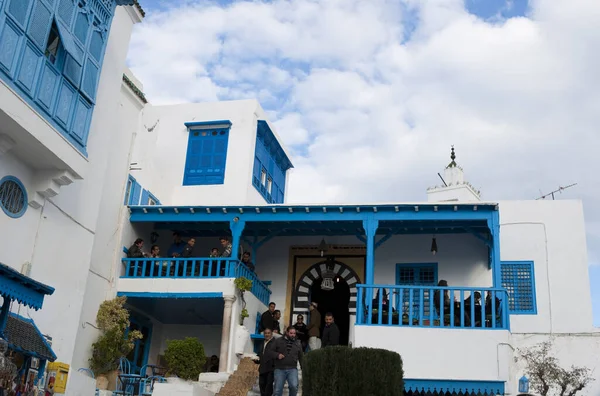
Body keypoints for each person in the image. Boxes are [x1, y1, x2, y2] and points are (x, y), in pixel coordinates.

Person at [273, 327, 303, 396]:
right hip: (279, 369)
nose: (293, 335)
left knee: (294, 386)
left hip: (292, 369)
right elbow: (271, 351)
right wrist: (277, 355)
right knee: (277, 390)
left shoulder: (298, 343)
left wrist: (303, 368)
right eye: (291, 333)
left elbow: (301, 357)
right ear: (287, 333)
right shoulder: (278, 341)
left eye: (294, 333)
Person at [254, 328, 277, 396]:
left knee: (268, 387)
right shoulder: (262, 343)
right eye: (265, 333)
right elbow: (260, 355)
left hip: (271, 368)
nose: (267, 334)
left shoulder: (275, 343)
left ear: (271, 334)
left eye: (268, 333)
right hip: (262, 368)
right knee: (262, 385)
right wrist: (256, 360)